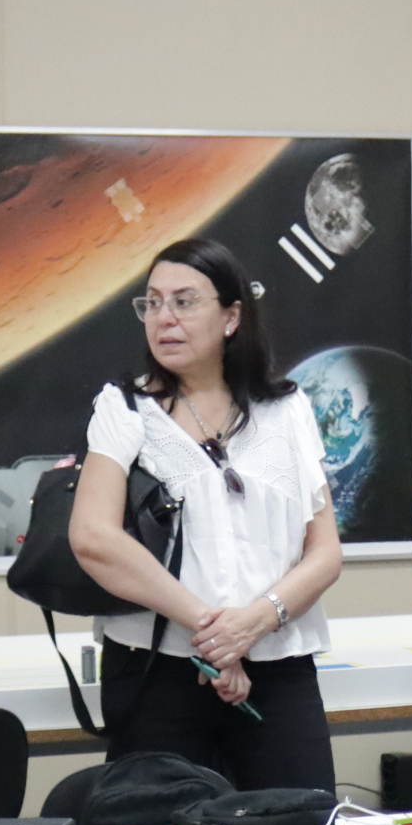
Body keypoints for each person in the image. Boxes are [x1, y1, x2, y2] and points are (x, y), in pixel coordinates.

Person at [68, 237, 344, 791]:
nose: (163, 318)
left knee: (300, 822)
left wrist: (257, 620)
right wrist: (213, 632)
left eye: (184, 302)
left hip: (278, 665)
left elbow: (325, 551)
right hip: (158, 671)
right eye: (152, 303)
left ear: (231, 317)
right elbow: (93, 537)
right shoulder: (126, 408)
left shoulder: (286, 408)